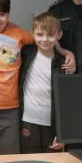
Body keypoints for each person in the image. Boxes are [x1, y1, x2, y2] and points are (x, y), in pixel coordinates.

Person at [0, 0, 74, 154]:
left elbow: (43, 41)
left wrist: (65, 52)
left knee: (10, 158)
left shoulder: (19, 33)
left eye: (2, 14)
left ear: (8, 15)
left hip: (11, 109)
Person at [18, 12, 67, 154]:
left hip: (52, 124)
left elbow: (67, 100)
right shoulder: (25, 52)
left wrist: (63, 132)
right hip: (28, 120)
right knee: (29, 161)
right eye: (40, 34)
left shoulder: (64, 62)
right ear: (32, 33)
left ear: (59, 35)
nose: (45, 39)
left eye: (50, 35)